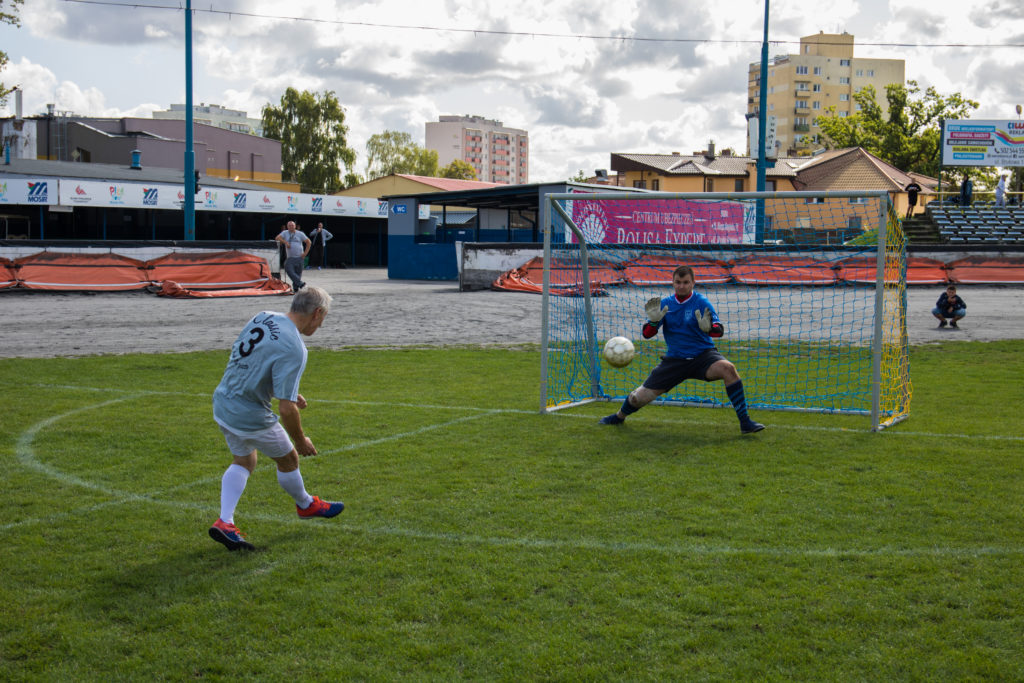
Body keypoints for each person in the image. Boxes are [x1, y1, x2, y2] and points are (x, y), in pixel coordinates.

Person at [209, 286, 344, 551]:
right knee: (289, 458)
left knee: (245, 460)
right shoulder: (295, 346)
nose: (321, 325)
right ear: (317, 313)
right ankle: (306, 505)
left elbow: (251, 364)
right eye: (323, 318)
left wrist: (288, 392)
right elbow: (286, 410)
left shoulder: (263, 316)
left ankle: (225, 521)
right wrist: (301, 440)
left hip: (224, 402)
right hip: (249, 414)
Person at [599, 265, 765, 434]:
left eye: (686, 282)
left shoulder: (701, 302)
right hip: (675, 360)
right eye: (678, 282)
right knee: (637, 398)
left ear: (693, 283)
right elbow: (647, 334)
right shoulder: (665, 304)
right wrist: (654, 322)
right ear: (673, 283)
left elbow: (719, 330)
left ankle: (745, 422)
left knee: (728, 369)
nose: (681, 286)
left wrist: (709, 329)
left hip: (703, 356)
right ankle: (619, 417)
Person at [275, 220, 310, 292]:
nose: (291, 227)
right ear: (287, 227)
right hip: (290, 257)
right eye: (289, 225)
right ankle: (302, 284)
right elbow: (277, 238)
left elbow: (308, 242)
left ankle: (296, 289)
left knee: (298, 274)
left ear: (295, 226)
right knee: (289, 270)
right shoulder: (285, 233)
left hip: (300, 257)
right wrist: (285, 242)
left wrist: (305, 253)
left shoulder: (300, 234)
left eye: (292, 225)